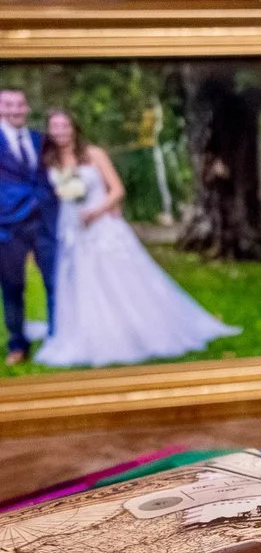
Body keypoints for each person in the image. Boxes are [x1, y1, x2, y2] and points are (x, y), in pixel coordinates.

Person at [33, 109, 238, 368]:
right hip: (72, 226)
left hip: (102, 223)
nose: (60, 132)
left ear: (74, 128)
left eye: (65, 126)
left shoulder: (94, 154)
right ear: (49, 131)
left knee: (118, 279)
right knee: (82, 279)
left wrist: (98, 211)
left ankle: (135, 328)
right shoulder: (50, 160)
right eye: (55, 127)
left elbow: (117, 189)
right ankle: (92, 331)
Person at [0, 86, 58, 365]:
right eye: (8, 104)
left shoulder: (39, 139)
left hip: (44, 222)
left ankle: (58, 338)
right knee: (13, 287)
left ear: (27, 108)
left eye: (20, 104)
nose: (15, 110)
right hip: (7, 225)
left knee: (54, 282)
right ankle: (17, 346)